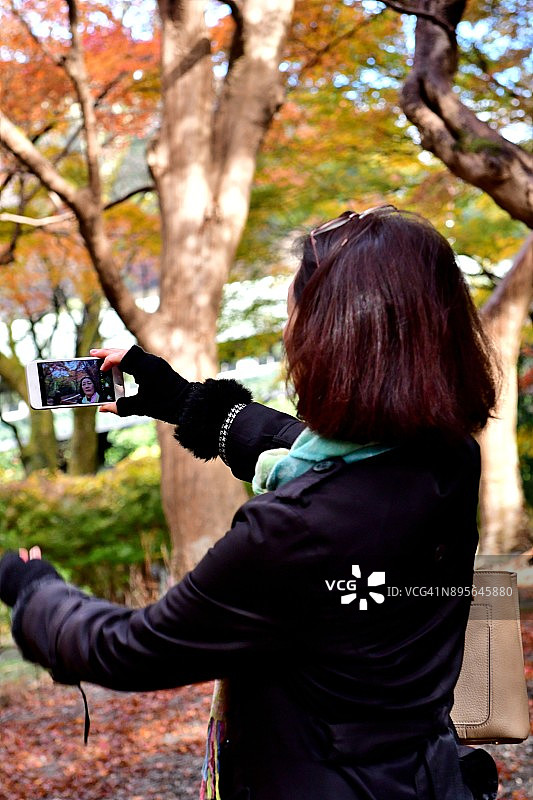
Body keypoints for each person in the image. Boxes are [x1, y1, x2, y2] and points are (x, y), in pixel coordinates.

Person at [0, 206, 499, 800]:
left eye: (299, 313)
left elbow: (132, 648)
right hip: (420, 777)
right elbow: (315, 454)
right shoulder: (445, 459)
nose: (291, 332)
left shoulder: (294, 532)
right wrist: (185, 403)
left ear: (336, 341)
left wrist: (35, 593)